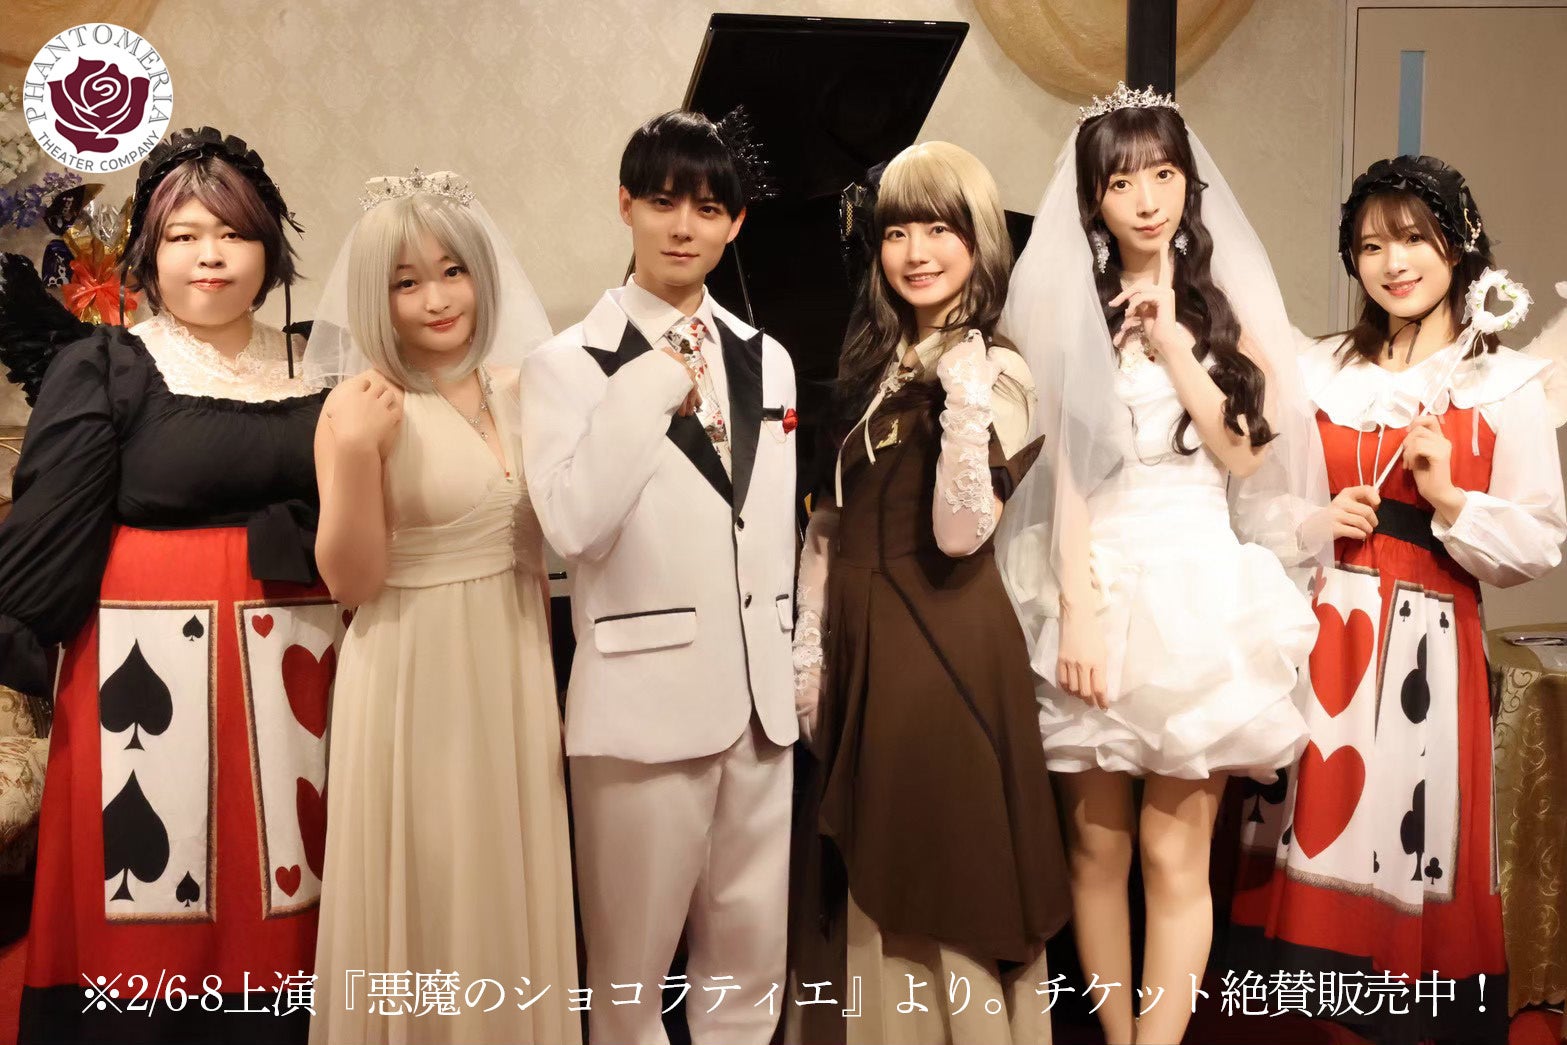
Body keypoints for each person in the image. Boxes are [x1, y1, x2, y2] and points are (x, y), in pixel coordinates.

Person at [997, 84, 1328, 1045]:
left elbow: (1243, 454)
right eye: (1120, 182)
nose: (1145, 199)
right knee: (1094, 852)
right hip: (1097, 583)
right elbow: (1063, 474)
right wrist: (1077, 606)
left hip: (1196, 590)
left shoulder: (1227, 322)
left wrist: (1174, 341)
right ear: (1093, 200)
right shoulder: (1072, 320)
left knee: (1171, 855)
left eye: (1163, 174)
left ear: (1187, 185)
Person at [0, 127, 336, 1044]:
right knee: (152, 893)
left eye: (231, 232)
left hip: (302, 669)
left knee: (295, 882)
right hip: (144, 676)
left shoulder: (321, 360)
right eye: (184, 235)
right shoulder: (107, 365)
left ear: (268, 246)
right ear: (149, 253)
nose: (209, 255)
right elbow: (45, 537)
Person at [1230, 155, 1567, 1045]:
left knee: (1405, 842)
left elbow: (1539, 541)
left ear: (1458, 246)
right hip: (1324, 634)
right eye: (1371, 245)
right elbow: (1253, 503)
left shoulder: (1502, 384)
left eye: (1413, 238)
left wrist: (1449, 496)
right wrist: (1314, 520)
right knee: (1314, 852)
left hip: (1428, 646)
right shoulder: (1317, 369)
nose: (1392, 262)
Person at [519, 110, 798, 1045]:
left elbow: (768, 532)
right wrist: (645, 385)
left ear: (735, 224)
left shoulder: (768, 358)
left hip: (759, 709)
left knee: (750, 975)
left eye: (708, 209)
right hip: (640, 709)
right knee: (629, 982)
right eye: (663, 201)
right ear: (625, 205)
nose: (684, 226)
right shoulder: (565, 364)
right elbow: (572, 525)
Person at [790, 140, 1072, 1045]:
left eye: (939, 229)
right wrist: (809, 647)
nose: (915, 251)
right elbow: (829, 522)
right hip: (867, 643)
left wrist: (965, 398)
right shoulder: (876, 365)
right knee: (881, 871)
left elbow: (962, 529)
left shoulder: (997, 370)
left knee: (947, 874)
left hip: (943, 648)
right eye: (896, 231)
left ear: (977, 241)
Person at [302, 168, 573, 1045]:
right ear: (375, 298)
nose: (436, 299)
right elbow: (350, 583)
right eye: (406, 282)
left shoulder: (519, 389)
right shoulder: (360, 405)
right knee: (432, 878)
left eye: (452, 271)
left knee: (504, 877)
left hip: (514, 667)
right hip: (413, 682)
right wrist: (353, 453)